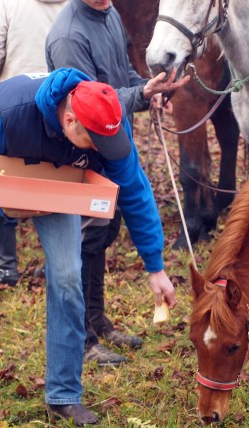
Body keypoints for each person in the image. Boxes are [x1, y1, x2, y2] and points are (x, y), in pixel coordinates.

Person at [0, 68, 178, 426]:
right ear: (69, 119)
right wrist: (9, 207)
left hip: (59, 185)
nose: (103, 148)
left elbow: (134, 190)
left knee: (69, 277)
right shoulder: (11, 110)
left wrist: (156, 267)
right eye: (94, 142)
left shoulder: (107, 122)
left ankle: (64, 396)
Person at [45, 0, 189, 366]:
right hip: (82, 149)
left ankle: (96, 320)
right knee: (85, 237)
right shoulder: (69, 36)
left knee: (103, 232)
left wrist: (147, 88)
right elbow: (88, 105)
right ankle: (82, 337)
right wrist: (139, 95)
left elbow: (119, 76)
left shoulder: (109, 13)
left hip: (109, 141)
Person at [0, 0, 67, 286]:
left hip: (14, 102)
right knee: (59, 179)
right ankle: (57, 264)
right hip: (63, 107)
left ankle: (4, 265)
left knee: (2, 177)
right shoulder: (79, 4)